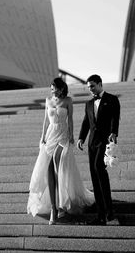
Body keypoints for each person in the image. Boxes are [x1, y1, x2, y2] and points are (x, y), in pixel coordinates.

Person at [27, 77, 94, 225]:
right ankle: (53, 208)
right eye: (51, 88)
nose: (52, 91)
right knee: (49, 169)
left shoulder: (68, 101)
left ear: (61, 88)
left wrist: (71, 135)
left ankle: (62, 201)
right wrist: (42, 137)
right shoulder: (48, 100)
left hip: (63, 136)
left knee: (60, 164)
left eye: (54, 88)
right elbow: (45, 121)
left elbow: (70, 119)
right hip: (50, 136)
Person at [77, 74, 120, 225]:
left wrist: (114, 132)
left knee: (99, 169)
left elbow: (115, 117)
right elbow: (86, 122)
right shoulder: (88, 104)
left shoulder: (112, 99)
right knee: (95, 176)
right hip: (92, 143)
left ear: (100, 84)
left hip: (105, 141)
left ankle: (109, 211)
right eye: (89, 87)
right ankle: (101, 215)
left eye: (93, 86)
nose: (91, 90)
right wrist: (81, 138)